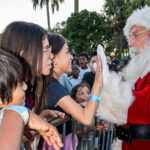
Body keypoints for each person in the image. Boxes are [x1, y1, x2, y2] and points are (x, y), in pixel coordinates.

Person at [0, 21, 65, 149]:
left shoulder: (31, 87)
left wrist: (36, 120)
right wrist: (22, 113)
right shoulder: (11, 92)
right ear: (24, 55)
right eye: (46, 49)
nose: (51, 56)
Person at [96, 6, 150, 150]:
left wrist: (109, 84)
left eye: (136, 35)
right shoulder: (142, 72)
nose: (130, 43)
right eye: (130, 37)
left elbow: (145, 106)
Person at [46, 33, 102, 149]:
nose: (71, 57)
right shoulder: (52, 86)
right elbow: (86, 118)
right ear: (53, 57)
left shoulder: (55, 83)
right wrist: (97, 82)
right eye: (67, 52)